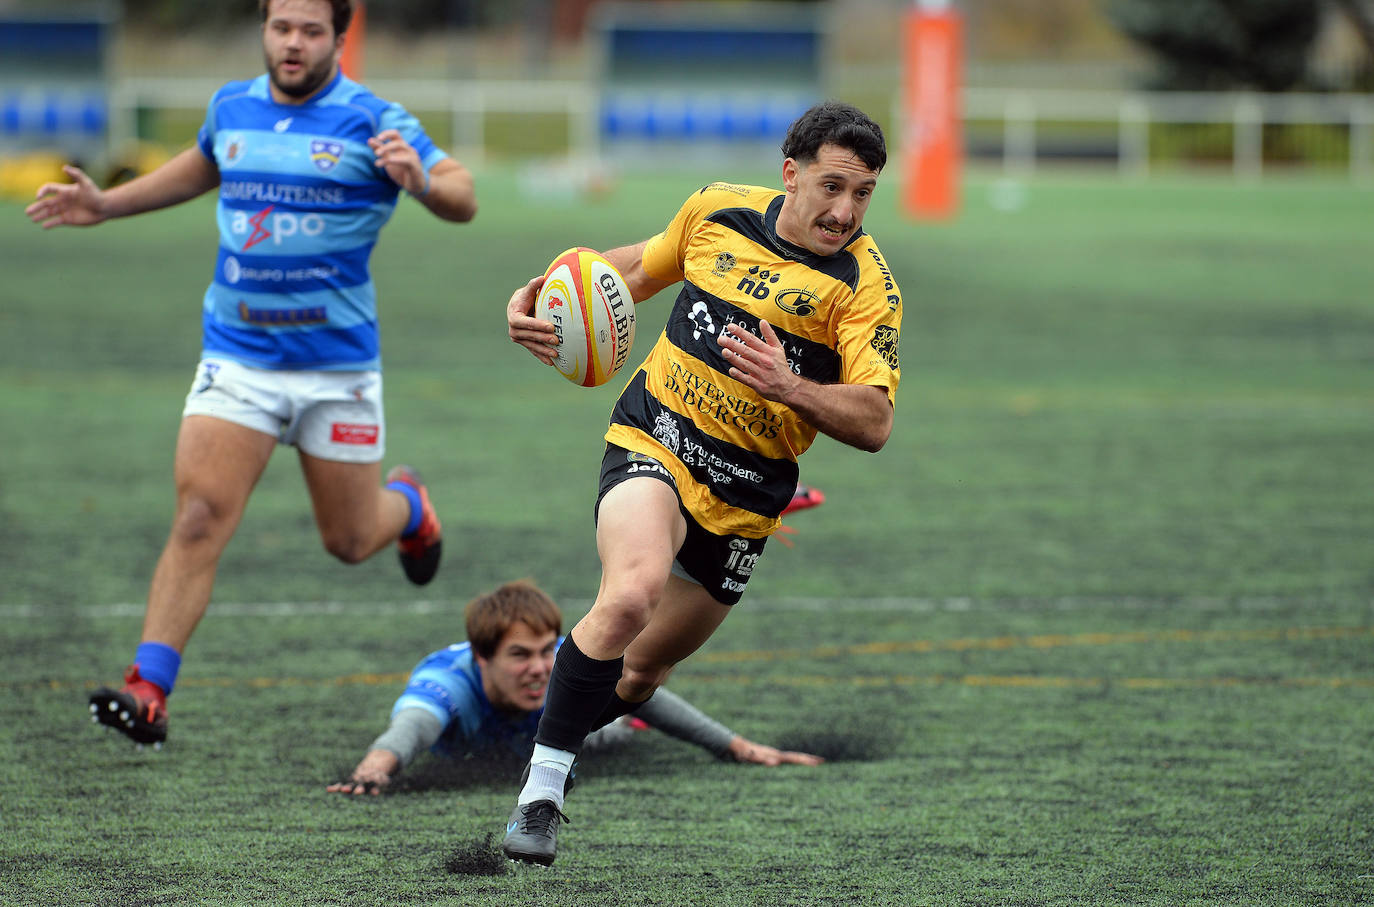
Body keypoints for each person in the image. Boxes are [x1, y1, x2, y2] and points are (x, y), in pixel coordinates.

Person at [25, 0, 477, 749]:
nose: (292, 44)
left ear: (339, 34)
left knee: (351, 538)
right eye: (280, 27)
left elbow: (461, 193)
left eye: (310, 30)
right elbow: (198, 168)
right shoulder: (231, 107)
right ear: (264, 29)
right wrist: (105, 205)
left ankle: (408, 506)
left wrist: (420, 181)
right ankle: (150, 688)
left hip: (337, 370)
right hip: (238, 358)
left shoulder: (373, 119)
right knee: (200, 516)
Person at [500, 100, 900, 864]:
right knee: (629, 593)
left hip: (746, 495)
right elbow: (636, 269)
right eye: (832, 186)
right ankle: (543, 791)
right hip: (657, 435)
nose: (845, 210)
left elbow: (875, 420)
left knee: (644, 668)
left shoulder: (862, 287)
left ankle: (549, 732)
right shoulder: (716, 211)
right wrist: (541, 295)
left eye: (864, 194)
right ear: (791, 173)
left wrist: (793, 388)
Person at [326, 579, 821, 797]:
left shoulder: (564, 662)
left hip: (587, 736)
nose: (540, 668)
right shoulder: (447, 683)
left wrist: (736, 747)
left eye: (546, 650)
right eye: (519, 656)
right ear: (482, 659)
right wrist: (374, 770)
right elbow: (411, 728)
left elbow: (647, 689)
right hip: (498, 740)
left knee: (616, 722)